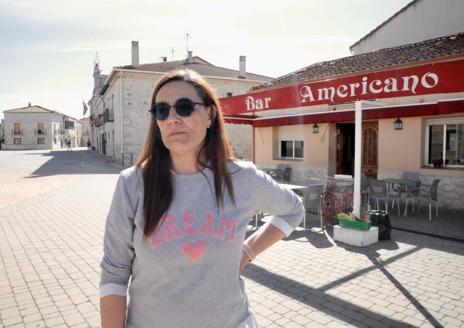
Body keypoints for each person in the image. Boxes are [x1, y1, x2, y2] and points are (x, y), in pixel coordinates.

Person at [99, 69, 304, 328]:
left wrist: (248, 251)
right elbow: (114, 275)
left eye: (184, 107)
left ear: (209, 114)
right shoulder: (133, 184)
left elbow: (293, 209)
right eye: (162, 110)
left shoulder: (242, 178)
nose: (172, 118)